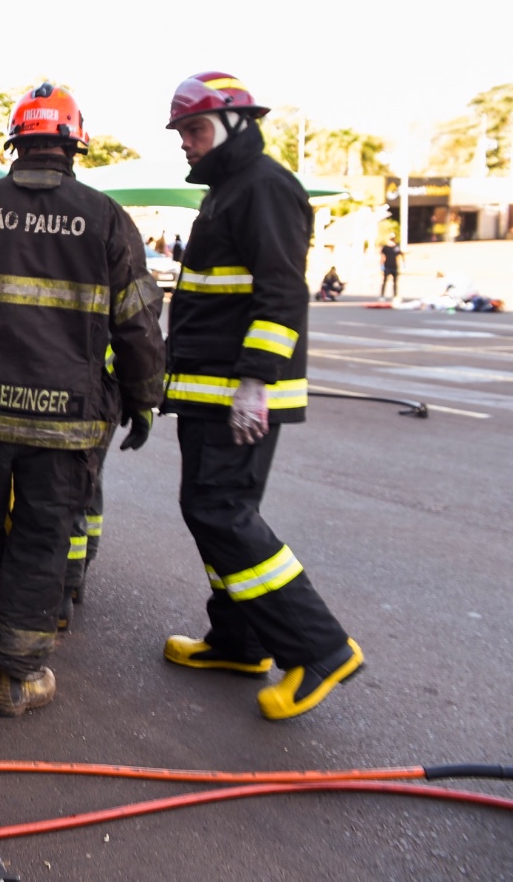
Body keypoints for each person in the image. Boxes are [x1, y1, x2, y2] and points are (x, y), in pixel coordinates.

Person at [0, 82, 166, 717]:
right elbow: (137, 322)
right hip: (65, 425)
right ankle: (17, 678)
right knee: (42, 541)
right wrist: (143, 400)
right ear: (73, 146)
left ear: (16, 143)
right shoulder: (106, 218)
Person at [160, 72, 363, 720]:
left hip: (236, 395)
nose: (186, 142)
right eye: (182, 132)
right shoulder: (229, 190)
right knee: (210, 511)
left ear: (235, 125)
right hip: (210, 391)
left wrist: (255, 382)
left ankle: (320, 649)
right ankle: (238, 642)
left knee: (221, 511)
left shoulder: (263, 186)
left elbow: (282, 293)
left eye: (195, 129)